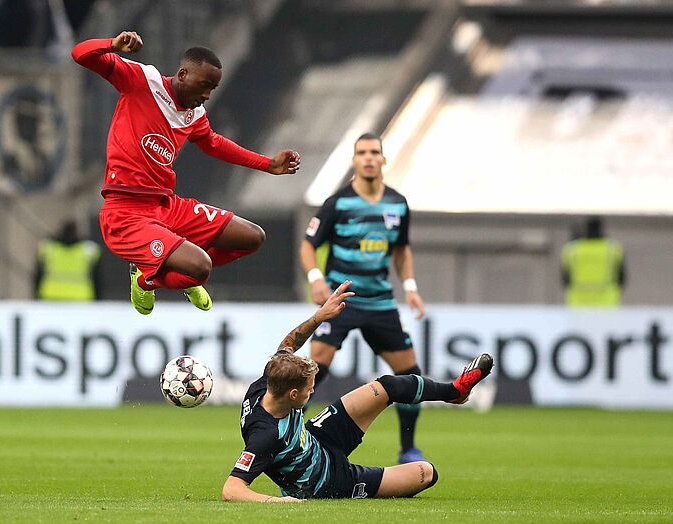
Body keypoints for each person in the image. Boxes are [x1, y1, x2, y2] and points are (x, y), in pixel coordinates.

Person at [71, 31, 301, 315]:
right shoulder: (142, 81)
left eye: (212, 89)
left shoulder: (195, 115)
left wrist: (267, 164)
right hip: (126, 212)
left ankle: (163, 271)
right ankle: (154, 278)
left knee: (253, 237)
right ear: (182, 74)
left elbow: (214, 144)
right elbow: (80, 53)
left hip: (167, 206)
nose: (206, 96)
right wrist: (112, 45)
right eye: (204, 85)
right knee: (201, 267)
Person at [221, 281, 494, 502]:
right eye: (309, 388)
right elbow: (232, 489)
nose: (313, 390)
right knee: (426, 473)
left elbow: (289, 343)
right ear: (292, 394)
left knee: (387, 386)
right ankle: (354, 486)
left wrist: (319, 317)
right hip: (327, 482)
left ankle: (455, 391)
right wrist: (278, 501)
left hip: (319, 438)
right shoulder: (265, 435)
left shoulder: (269, 380)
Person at [299, 133, 428, 464]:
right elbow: (308, 244)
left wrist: (410, 286)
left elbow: (401, 249)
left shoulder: (398, 204)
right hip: (341, 300)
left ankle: (408, 448)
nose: (368, 158)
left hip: (380, 302)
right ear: (354, 160)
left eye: (374, 152)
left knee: (410, 375)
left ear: (383, 159)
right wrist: (316, 279)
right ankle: (290, 441)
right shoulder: (337, 203)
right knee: (313, 371)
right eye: (362, 153)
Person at [561, 216, 624, 307]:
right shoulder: (613, 248)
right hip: (607, 303)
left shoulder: (572, 249)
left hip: (578, 303)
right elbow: (621, 278)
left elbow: (565, 280)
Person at [34, 220, 102, 301]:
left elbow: (38, 275)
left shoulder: (48, 248)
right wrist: (98, 299)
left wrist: (36, 296)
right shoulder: (88, 250)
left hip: (51, 296)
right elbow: (97, 277)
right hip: (80, 297)